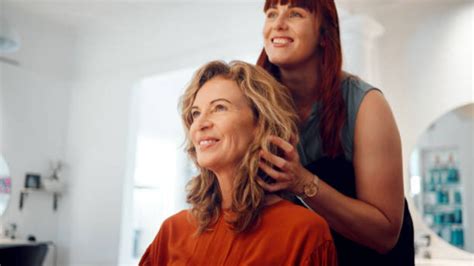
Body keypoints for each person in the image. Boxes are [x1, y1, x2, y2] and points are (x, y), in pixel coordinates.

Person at [255, 1, 415, 265]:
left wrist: (302, 182)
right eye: (272, 14)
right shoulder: (254, 108)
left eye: (295, 14)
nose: (278, 24)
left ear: (324, 34)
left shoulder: (366, 104)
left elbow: (385, 234)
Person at [139, 61, 338, 265]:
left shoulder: (304, 232)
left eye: (219, 108)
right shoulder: (172, 231)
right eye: (195, 113)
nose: (200, 123)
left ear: (260, 124)